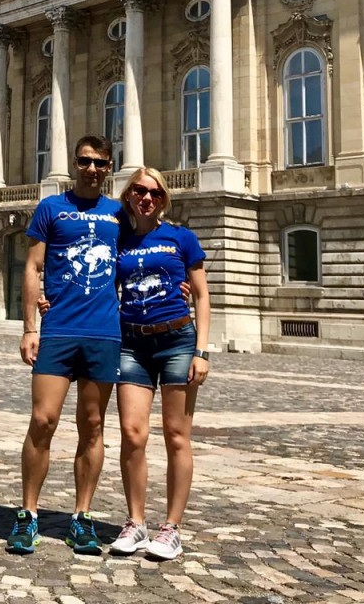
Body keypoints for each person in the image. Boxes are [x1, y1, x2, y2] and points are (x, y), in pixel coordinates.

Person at [8, 135, 121, 555]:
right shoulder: (51, 208)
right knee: (43, 420)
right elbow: (33, 266)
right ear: (75, 164)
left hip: (104, 332)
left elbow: (137, 260)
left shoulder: (119, 215)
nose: (92, 169)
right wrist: (29, 327)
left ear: (110, 168)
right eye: (85, 161)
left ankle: (82, 518)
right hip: (58, 330)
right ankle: (28, 514)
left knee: (92, 427)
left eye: (100, 163)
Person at [109, 167, 210, 561]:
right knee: (133, 435)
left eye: (153, 192)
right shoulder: (121, 241)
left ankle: (172, 527)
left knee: (175, 436)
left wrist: (202, 351)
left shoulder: (181, 237)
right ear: (129, 196)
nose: (146, 197)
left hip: (177, 341)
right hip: (131, 342)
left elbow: (201, 295)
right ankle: (136, 522)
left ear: (163, 199)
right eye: (138, 191)